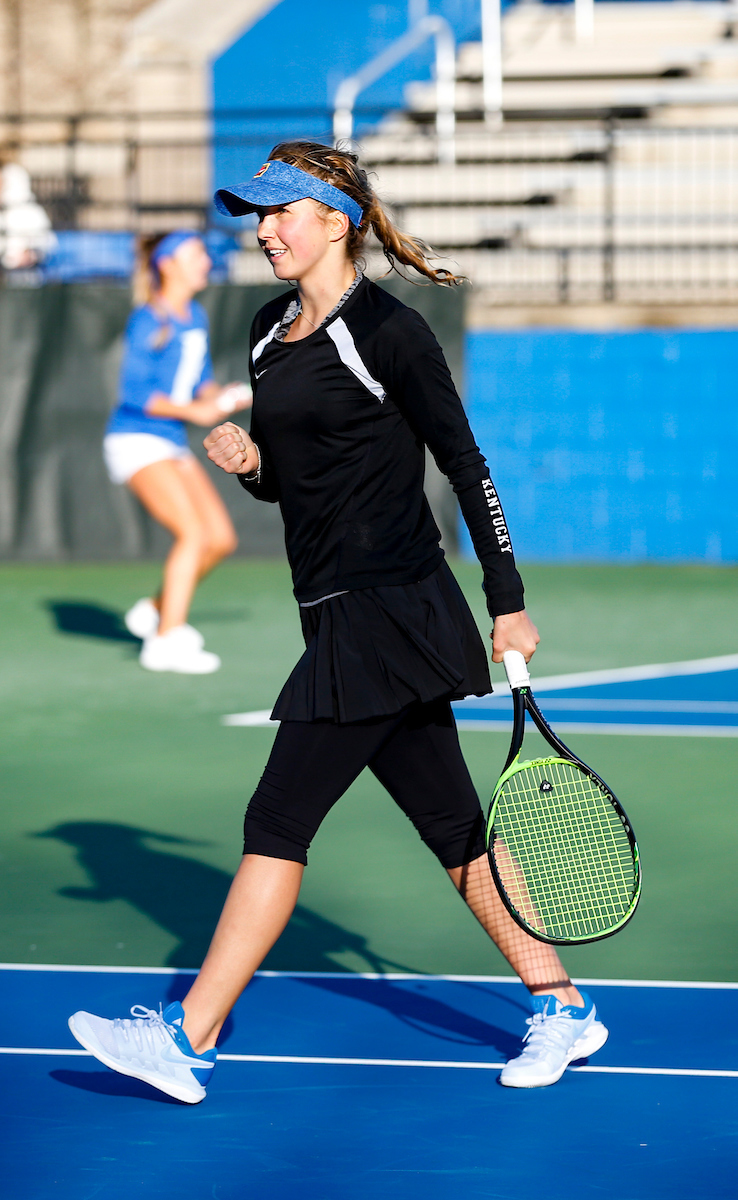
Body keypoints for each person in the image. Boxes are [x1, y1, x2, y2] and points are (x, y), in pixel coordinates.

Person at [70, 143, 608, 1098]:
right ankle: (563, 1006)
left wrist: (508, 602)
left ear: (337, 220)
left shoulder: (391, 332)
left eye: (282, 212)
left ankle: (189, 1036)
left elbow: (466, 466)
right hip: (331, 611)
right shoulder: (266, 330)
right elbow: (297, 479)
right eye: (258, 214)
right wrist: (252, 466)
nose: (264, 230)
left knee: (277, 818)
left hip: (391, 609)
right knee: (453, 825)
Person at [103, 230, 252, 673]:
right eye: (195, 254)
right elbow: (134, 393)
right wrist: (196, 411)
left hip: (170, 441)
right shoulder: (149, 319)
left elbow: (199, 381)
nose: (205, 261)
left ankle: (155, 611)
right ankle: (165, 641)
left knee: (219, 539)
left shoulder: (195, 317)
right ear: (167, 265)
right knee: (192, 534)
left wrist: (222, 396)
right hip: (136, 439)